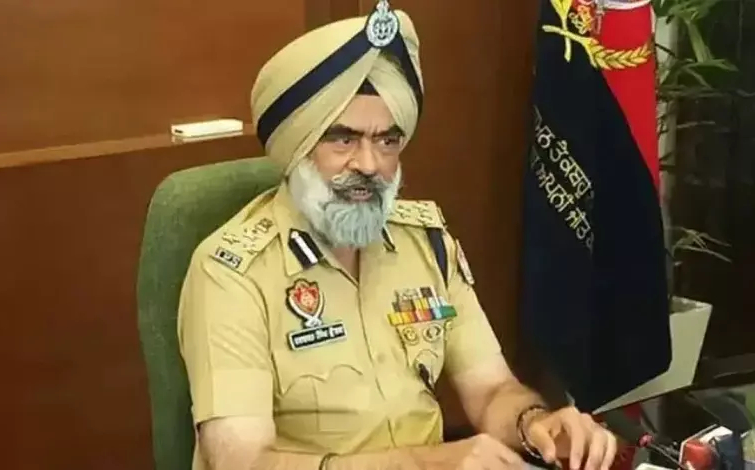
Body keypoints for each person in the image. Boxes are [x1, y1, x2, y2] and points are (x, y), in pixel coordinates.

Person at [177, 2, 618, 469]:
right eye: (344, 139)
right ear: (298, 148)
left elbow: (491, 390)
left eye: (387, 141)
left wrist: (535, 424)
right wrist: (427, 464)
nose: (370, 165)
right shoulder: (231, 274)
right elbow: (241, 462)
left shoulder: (426, 244)